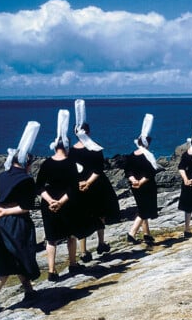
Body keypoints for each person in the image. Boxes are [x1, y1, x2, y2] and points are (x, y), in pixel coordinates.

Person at [0, 121, 42, 314]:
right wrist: (5, 211)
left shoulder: (2, 176)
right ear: (26, 162)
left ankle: (29, 291)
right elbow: (26, 207)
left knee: (11, 259)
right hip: (14, 224)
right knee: (15, 258)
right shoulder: (26, 180)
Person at [36, 109, 87, 282]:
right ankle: (72, 264)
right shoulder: (71, 164)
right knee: (70, 235)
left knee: (51, 239)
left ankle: (51, 270)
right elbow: (74, 187)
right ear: (66, 146)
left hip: (48, 203)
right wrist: (61, 202)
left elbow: (39, 186)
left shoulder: (46, 164)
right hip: (68, 203)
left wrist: (51, 201)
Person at [70, 99, 119, 262]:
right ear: (89, 132)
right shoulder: (96, 149)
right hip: (97, 185)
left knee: (83, 217)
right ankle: (101, 243)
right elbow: (99, 170)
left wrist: (80, 183)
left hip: (79, 186)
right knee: (100, 214)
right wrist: (89, 183)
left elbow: (70, 170)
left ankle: (83, 251)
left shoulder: (71, 151)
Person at [125, 113, 159, 245]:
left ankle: (147, 234)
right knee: (144, 210)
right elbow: (150, 173)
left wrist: (133, 180)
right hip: (146, 186)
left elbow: (128, 170)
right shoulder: (148, 156)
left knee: (141, 207)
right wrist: (141, 182)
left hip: (134, 186)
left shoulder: (131, 155)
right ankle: (132, 233)